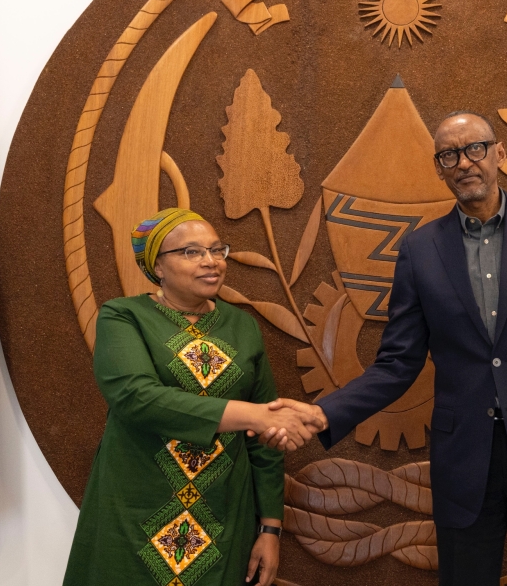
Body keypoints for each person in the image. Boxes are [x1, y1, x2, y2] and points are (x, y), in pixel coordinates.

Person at [261, 113, 507, 586]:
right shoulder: (420, 250)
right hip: (464, 462)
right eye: (449, 155)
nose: (464, 163)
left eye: (475, 148)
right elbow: (397, 364)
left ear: (500, 154)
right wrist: (322, 413)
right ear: (439, 169)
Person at [63, 208, 321, 586]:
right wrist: (253, 415)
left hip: (221, 515)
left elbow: (265, 439)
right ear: (158, 266)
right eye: (191, 252)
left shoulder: (243, 326)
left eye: (217, 250)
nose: (211, 261)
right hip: (135, 509)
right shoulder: (124, 316)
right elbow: (137, 397)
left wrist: (270, 529)